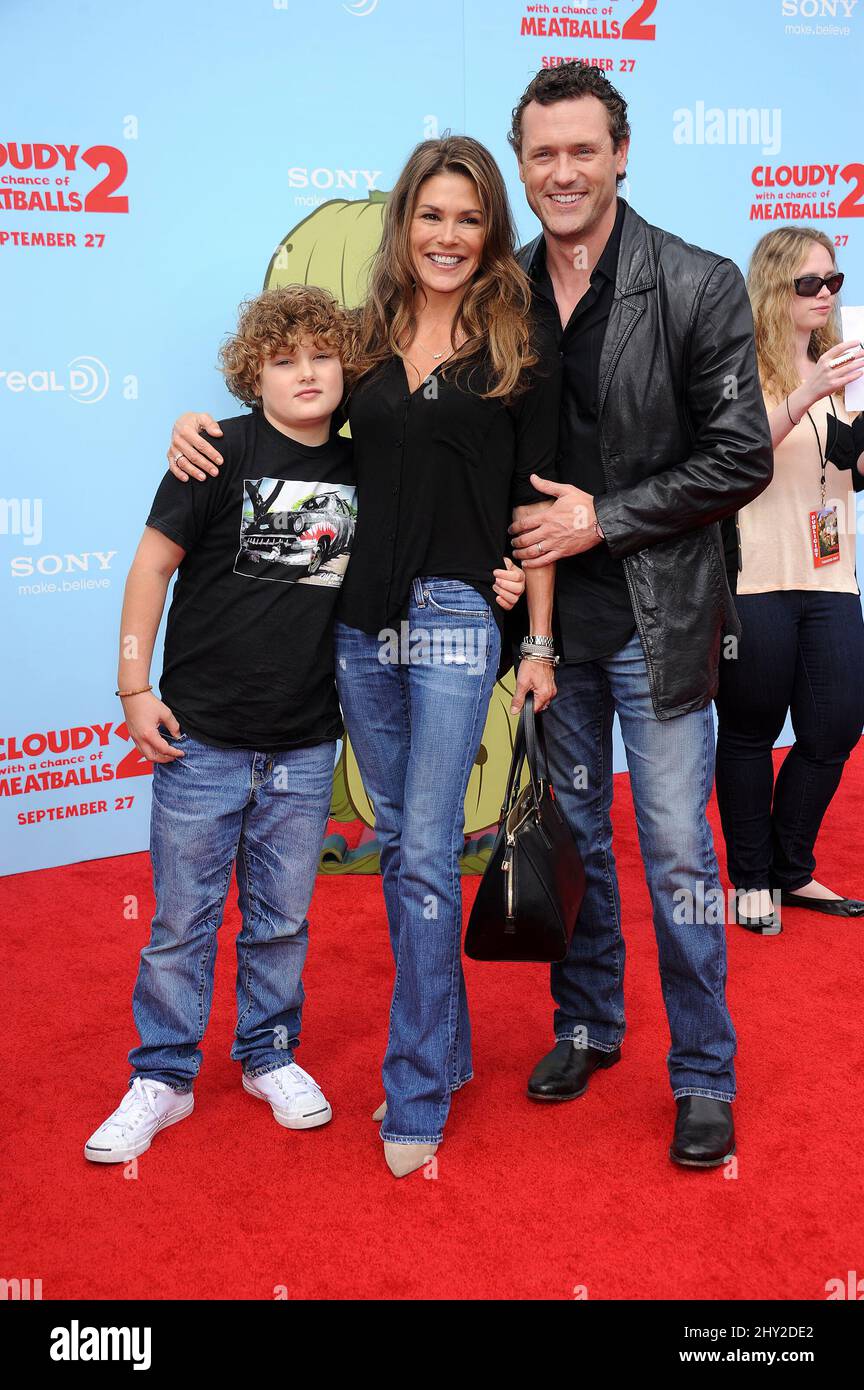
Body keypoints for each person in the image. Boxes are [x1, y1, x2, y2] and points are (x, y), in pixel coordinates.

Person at [164, 136, 560, 1177]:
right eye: (430, 215)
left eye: (467, 217)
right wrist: (195, 430)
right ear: (405, 227)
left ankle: (417, 1086)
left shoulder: (521, 345)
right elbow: (289, 418)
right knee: (400, 847)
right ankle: (456, 1044)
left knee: (427, 852)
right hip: (355, 624)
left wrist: (538, 633)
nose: (446, 234)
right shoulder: (368, 340)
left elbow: (538, 503)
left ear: (490, 230)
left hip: (454, 621)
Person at [505, 62, 773, 1167]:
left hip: (659, 624)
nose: (562, 172)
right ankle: (588, 1021)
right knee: (575, 839)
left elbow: (741, 454)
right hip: (550, 632)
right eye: (542, 154)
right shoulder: (502, 290)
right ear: (522, 166)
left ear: (621, 153)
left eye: (582, 150)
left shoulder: (699, 283)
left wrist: (600, 521)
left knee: (674, 855)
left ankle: (704, 1068)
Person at [85, 286, 358, 1163]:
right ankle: (161, 1074)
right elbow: (149, 569)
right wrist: (134, 687)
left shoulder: (365, 468)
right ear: (255, 375)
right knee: (182, 921)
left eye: (322, 354)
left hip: (307, 742)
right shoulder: (215, 452)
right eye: (286, 360)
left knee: (281, 919)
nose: (307, 372)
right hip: (199, 737)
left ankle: (268, 1052)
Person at [714, 227, 864, 935]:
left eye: (834, 281)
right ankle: (750, 880)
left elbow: (843, 474)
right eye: (811, 283)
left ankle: (790, 866)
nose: (827, 294)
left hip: (832, 579)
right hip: (757, 578)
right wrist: (810, 390)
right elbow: (736, 455)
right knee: (750, 731)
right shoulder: (737, 364)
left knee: (835, 728)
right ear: (775, 287)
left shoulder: (837, 368)